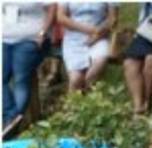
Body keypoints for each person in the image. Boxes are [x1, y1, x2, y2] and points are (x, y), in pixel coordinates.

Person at [3, 3, 55, 134]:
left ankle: (11, 122)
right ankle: (12, 116)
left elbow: (52, 7)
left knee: (20, 78)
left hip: (29, 38)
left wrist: (43, 33)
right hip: (4, 38)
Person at [59, 3, 117, 93]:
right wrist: (88, 29)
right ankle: (75, 100)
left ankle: (88, 94)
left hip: (100, 36)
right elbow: (61, 17)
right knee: (75, 80)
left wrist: (97, 35)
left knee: (98, 63)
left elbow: (112, 18)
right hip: (74, 38)